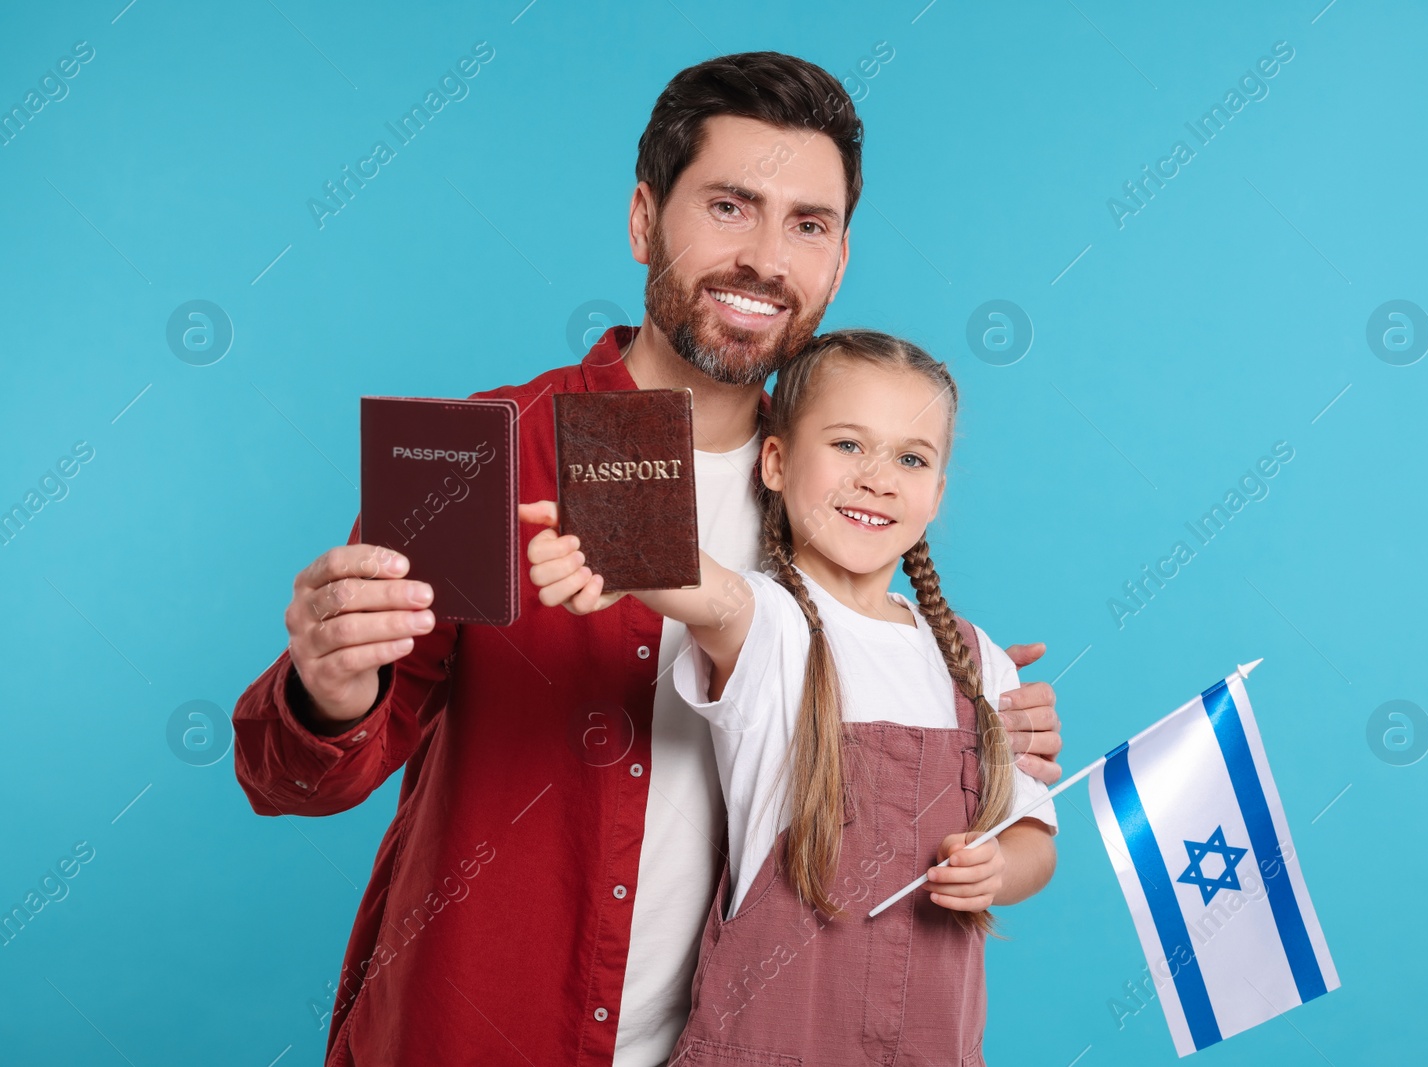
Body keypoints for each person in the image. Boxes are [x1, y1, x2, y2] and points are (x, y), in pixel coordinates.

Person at [231, 52, 1065, 1067]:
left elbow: (880, 757)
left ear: (839, 261)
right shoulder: (483, 453)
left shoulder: (836, 490)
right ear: (642, 221)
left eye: (807, 223)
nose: (765, 255)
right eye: (728, 205)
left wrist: (974, 716)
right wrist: (329, 688)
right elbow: (294, 781)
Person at [526, 329, 1058, 1065]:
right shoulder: (771, 623)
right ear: (775, 462)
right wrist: (598, 541)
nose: (877, 478)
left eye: (911, 458)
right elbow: (696, 584)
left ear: (936, 493)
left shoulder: (976, 660)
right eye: (847, 445)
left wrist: (999, 865)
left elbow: (1033, 833)